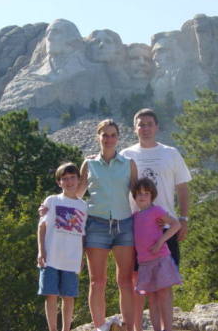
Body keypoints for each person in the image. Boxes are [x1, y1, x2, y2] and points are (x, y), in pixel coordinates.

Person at [120, 108, 192, 331]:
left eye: (149, 123)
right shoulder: (125, 155)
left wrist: (184, 218)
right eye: (141, 124)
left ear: (157, 126)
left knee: (164, 284)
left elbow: (183, 188)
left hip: (165, 227)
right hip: (135, 230)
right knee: (137, 282)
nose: (145, 128)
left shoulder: (171, 153)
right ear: (134, 128)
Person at [78, 119, 138, 331]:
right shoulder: (89, 164)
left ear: (118, 138)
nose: (109, 139)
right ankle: (99, 327)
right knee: (97, 282)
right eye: (105, 135)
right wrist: (52, 208)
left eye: (113, 135)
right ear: (98, 137)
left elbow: (138, 195)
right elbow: (76, 196)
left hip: (124, 224)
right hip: (96, 224)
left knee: (126, 280)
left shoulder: (129, 164)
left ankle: (128, 327)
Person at [37, 162, 88, 331]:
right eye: (64, 179)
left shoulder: (83, 206)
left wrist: (81, 257)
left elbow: (82, 234)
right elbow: (42, 227)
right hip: (51, 256)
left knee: (69, 296)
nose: (69, 182)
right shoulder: (51, 201)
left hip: (71, 257)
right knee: (51, 295)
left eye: (72, 177)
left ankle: (67, 329)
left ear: (78, 180)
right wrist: (40, 251)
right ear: (59, 182)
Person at [131, 178, 181, 331]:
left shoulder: (157, 211)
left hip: (161, 259)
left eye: (146, 193)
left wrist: (160, 241)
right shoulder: (134, 216)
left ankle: (168, 328)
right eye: (139, 194)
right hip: (144, 264)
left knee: (164, 294)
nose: (142, 196)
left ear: (152, 195)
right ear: (134, 196)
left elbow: (176, 225)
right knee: (152, 298)